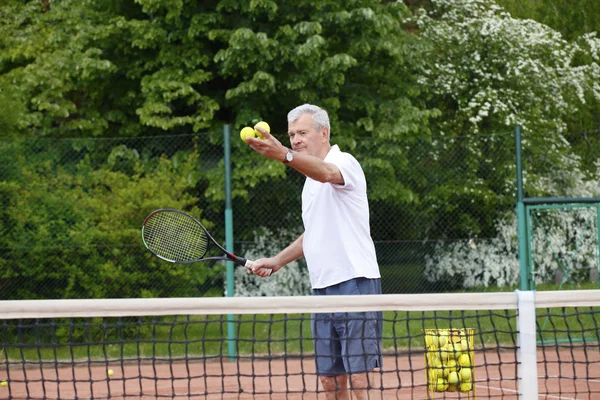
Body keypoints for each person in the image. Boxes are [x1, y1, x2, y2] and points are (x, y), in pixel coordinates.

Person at [245, 104, 383, 400]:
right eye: (292, 134)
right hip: (321, 288)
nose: (295, 139)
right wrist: (278, 260)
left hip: (355, 282)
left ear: (324, 132)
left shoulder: (344, 162)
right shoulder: (309, 183)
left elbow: (328, 173)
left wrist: (284, 154)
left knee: (358, 376)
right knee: (329, 380)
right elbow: (314, 233)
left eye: (302, 132)